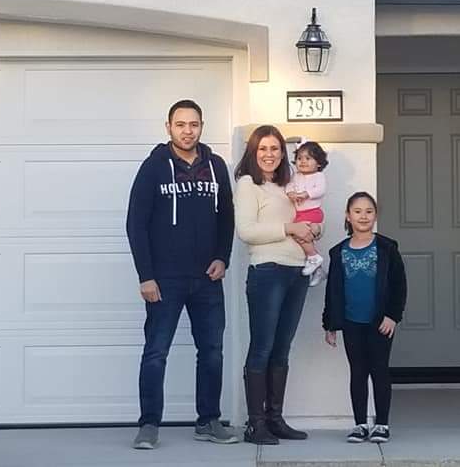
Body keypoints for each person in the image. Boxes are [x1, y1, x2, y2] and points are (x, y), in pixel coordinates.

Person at [126, 99, 237, 449]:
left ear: (202, 126)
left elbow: (226, 217)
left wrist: (223, 256)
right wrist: (146, 275)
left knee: (212, 351)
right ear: (169, 127)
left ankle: (208, 421)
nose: (187, 131)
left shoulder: (216, 166)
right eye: (180, 125)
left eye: (194, 124)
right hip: (165, 280)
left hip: (207, 279)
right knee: (156, 352)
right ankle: (148, 425)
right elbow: (136, 224)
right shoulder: (153, 168)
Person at [234, 125, 315, 445]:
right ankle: (255, 424)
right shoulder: (247, 184)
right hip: (267, 271)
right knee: (263, 347)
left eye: (275, 149)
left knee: (282, 349)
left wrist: (312, 227)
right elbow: (247, 231)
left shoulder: (288, 185)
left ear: (283, 153)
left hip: (297, 272)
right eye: (263, 149)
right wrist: (289, 227)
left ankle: (275, 418)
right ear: (254, 153)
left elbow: (302, 220)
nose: (269, 155)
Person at [322, 191, 407, 444]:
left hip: (380, 323)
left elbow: (399, 285)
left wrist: (393, 316)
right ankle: (359, 424)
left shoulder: (387, 248)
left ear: (376, 216)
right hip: (351, 322)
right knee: (357, 371)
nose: (363, 216)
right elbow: (332, 291)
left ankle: (381, 424)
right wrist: (330, 324)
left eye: (369, 211)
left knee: (379, 370)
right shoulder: (338, 252)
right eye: (357, 211)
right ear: (348, 216)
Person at [284, 141, 329, 286]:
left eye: (308, 158)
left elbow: (320, 190)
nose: (303, 161)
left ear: (319, 163)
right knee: (299, 235)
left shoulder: (318, 176)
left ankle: (314, 257)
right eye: (299, 158)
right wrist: (290, 193)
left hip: (313, 212)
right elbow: (289, 186)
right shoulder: (296, 176)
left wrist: (306, 194)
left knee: (300, 235)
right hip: (301, 214)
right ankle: (318, 269)